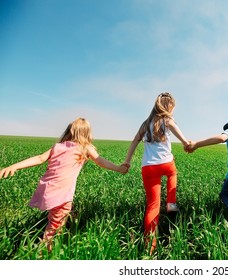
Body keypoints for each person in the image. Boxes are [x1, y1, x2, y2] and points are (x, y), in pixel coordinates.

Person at [0, 117, 127, 252]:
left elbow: (39, 158)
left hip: (47, 190)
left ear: (70, 131)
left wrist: (14, 166)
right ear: (87, 134)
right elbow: (100, 161)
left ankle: (51, 241)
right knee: (55, 227)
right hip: (61, 194)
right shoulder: (85, 148)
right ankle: (44, 252)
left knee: (56, 217)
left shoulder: (57, 147)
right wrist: (118, 168)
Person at [122, 92, 189, 254]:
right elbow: (182, 138)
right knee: (173, 174)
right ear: (168, 107)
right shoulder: (168, 120)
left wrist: (127, 161)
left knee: (153, 206)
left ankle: (149, 247)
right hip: (166, 164)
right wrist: (187, 144)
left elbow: (134, 142)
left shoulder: (145, 124)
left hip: (149, 168)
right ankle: (171, 203)